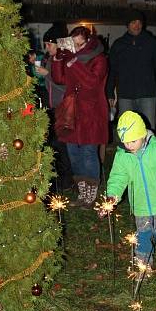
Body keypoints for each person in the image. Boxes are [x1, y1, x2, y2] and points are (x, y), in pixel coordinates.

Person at [103, 111, 156, 277]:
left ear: (142, 134)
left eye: (133, 141)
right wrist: (111, 197)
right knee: (143, 235)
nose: (129, 145)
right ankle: (143, 263)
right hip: (140, 206)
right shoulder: (123, 156)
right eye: (125, 141)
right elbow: (118, 178)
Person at [51, 26, 108, 208]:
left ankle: (91, 193)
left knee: (88, 152)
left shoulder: (99, 58)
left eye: (79, 42)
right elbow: (59, 79)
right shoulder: (70, 57)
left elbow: (92, 82)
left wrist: (73, 62)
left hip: (91, 112)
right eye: (73, 41)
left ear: (88, 40)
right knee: (73, 152)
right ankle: (83, 193)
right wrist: (58, 59)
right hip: (71, 112)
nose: (75, 46)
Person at [106, 9, 156, 131]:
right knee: (126, 129)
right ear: (127, 24)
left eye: (139, 22)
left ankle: (149, 150)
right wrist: (109, 93)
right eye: (133, 22)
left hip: (147, 94)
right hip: (125, 95)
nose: (137, 25)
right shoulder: (119, 45)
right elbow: (112, 70)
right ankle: (128, 150)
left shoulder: (151, 42)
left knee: (148, 130)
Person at [41, 23, 74, 191]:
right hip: (52, 107)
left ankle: (68, 180)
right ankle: (59, 179)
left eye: (49, 44)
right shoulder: (50, 59)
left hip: (65, 107)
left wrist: (48, 76)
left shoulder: (64, 59)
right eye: (45, 44)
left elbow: (65, 86)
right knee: (54, 144)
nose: (47, 48)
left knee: (63, 144)